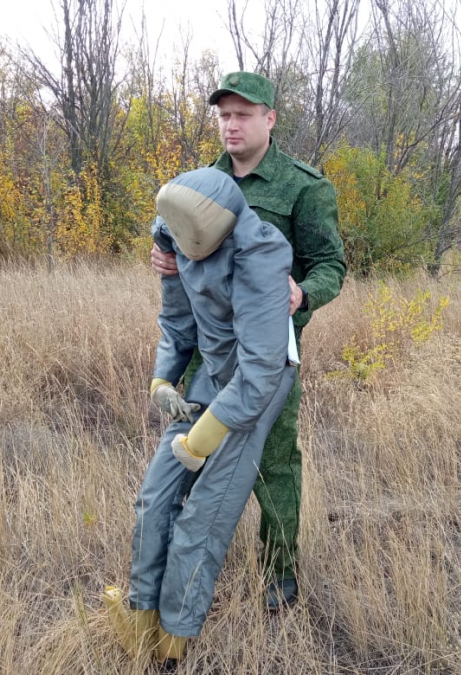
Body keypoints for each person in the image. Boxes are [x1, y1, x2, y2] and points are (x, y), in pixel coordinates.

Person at [150, 71, 346, 608]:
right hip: (208, 351)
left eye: (242, 114)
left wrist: (303, 293)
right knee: (190, 459)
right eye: (223, 115)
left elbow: (331, 265)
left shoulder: (304, 187)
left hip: (269, 357)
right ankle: (176, 576)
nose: (230, 125)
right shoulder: (203, 182)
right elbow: (176, 242)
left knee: (274, 465)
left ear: (270, 118)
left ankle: (279, 574)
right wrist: (163, 258)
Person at [105, 167, 298, 666]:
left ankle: (173, 639)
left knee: (204, 517)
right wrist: (163, 382)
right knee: (155, 497)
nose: (186, 247)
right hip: (212, 372)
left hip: (257, 386)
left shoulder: (261, 255)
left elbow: (259, 371)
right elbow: (176, 323)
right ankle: (141, 617)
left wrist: (202, 439)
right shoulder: (172, 235)